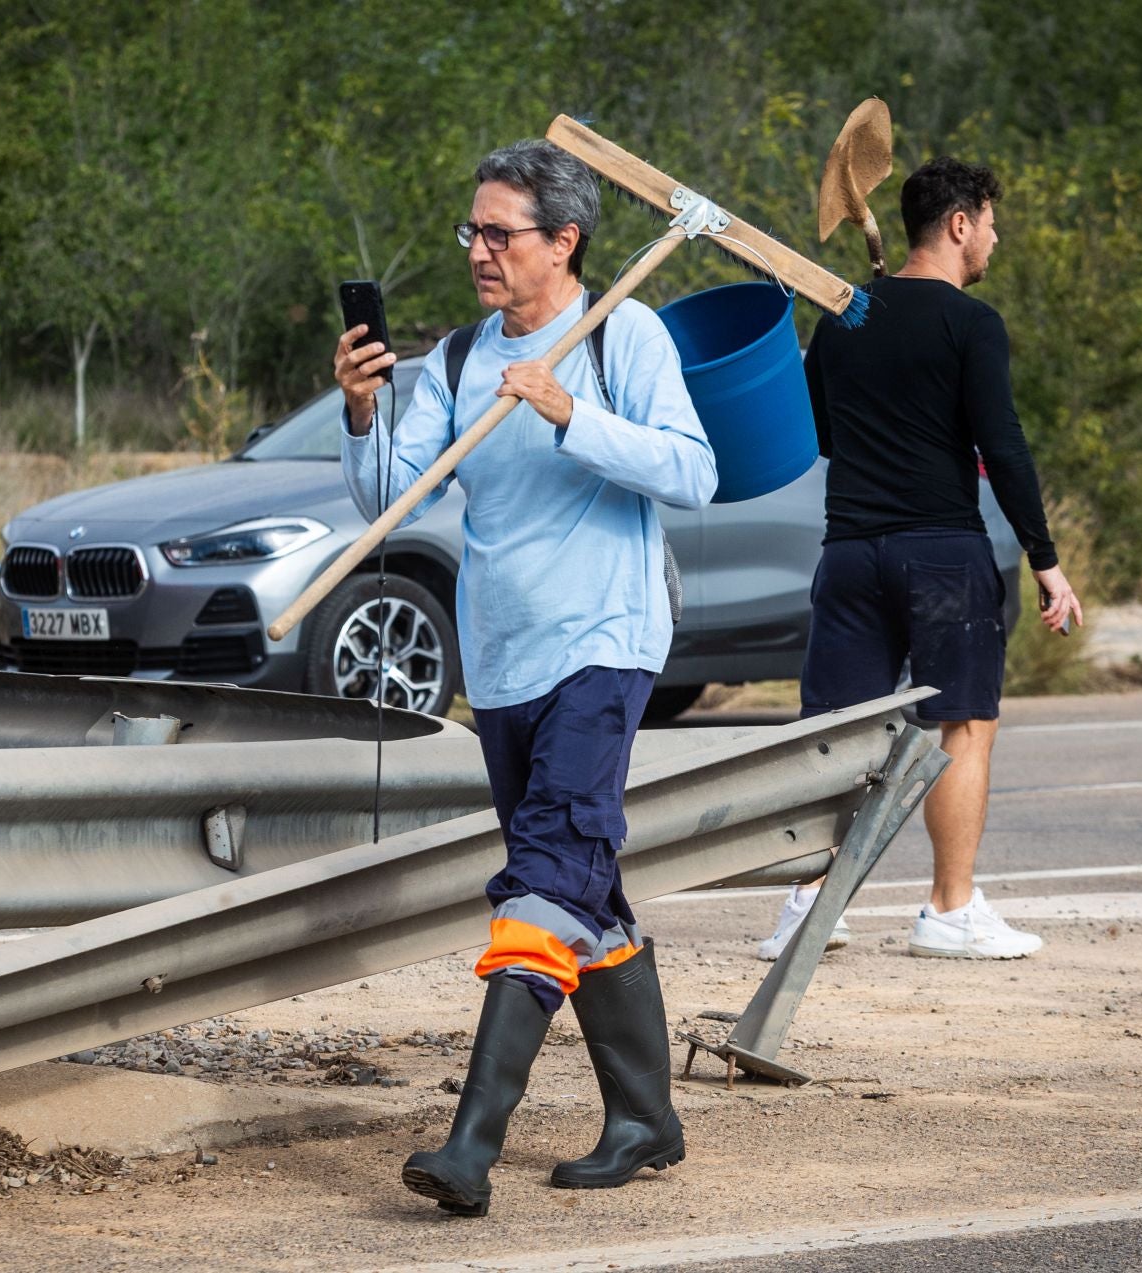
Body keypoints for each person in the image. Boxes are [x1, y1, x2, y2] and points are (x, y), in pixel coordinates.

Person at [333, 139, 716, 1217]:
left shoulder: (621, 333)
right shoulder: (455, 361)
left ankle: (470, 1145)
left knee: (545, 877)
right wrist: (365, 413)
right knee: (579, 878)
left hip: (605, 641)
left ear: (566, 241)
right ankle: (645, 1117)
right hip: (502, 661)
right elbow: (389, 502)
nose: (479, 251)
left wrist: (570, 414)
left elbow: (694, 470)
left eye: (501, 233)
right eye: (474, 230)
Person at [758, 156, 1081, 964]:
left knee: (837, 735)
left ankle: (808, 907)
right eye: (992, 224)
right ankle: (949, 910)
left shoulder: (842, 318)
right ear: (960, 224)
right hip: (941, 553)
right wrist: (1046, 559)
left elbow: (821, 435)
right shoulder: (972, 324)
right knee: (963, 726)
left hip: (850, 553)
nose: (996, 240)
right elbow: (1002, 448)